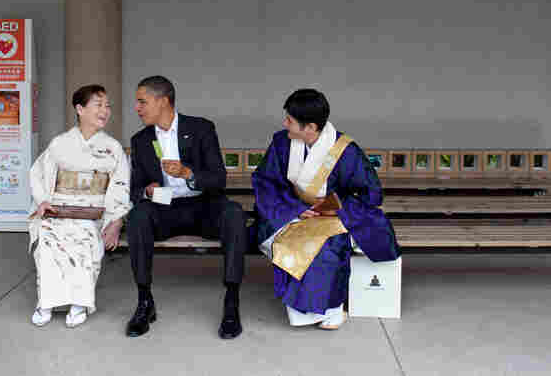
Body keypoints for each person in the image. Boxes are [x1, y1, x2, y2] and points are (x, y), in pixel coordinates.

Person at [253, 89, 400, 329]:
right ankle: (309, 312)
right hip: (294, 212)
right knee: (288, 242)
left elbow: (372, 193)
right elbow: (265, 181)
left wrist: (337, 208)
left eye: (290, 120)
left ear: (310, 127)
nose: (284, 123)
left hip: (333, 216)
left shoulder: (345, 150)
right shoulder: (281, 142)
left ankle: (330, 310)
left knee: (326, 248)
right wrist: (294, 209)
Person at [126, 76, 247, 339]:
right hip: (165, 206)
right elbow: (134, 187)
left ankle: (231, 302)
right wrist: (146, 190)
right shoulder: (141, 140)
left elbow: (218, 178)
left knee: (234, 214)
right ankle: (145, 301)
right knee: (138, 217)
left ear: (163, 101)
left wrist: (188, 173)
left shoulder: (201, 129)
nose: (137, 107)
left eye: (142, 101)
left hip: (203, 205)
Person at [28, 84, 131, 328]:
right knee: (47, 238)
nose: (105, 110)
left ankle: (79, 302)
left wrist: (115, 220)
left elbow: (120, 185)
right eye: (98, 105)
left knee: (86, 243)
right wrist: (43, 200)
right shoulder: (60, 143)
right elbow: (38, 173)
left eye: (107, 106)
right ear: (80, 109)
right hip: (59, 208)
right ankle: (46, 301)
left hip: (94, 212)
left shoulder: (112, 148)